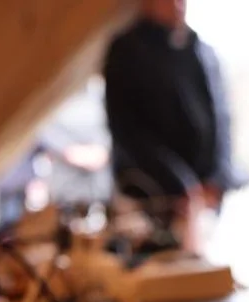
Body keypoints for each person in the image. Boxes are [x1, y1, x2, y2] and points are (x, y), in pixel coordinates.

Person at [102, 0, 241, 251]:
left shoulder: (201, 51)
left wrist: (216, 178)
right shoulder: (127, 51)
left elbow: (221, 119)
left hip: (203, 199)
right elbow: (129, 132)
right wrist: (180, 184)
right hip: (152, 199)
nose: (177, 4)